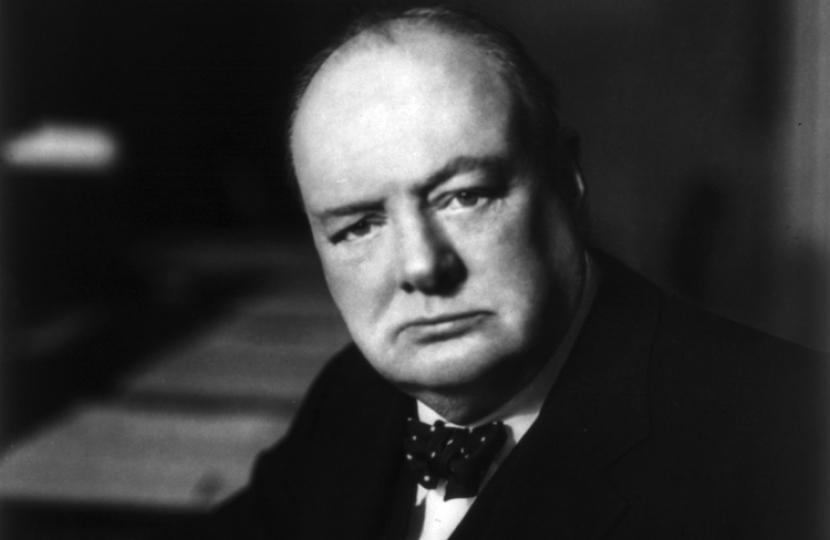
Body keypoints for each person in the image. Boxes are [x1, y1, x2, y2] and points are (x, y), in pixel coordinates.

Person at [203, 6, 829, 539]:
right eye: (359, 226)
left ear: (567, 180)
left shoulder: (795, 441)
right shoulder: (352, 395)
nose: (422, 266)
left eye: (464, 196)